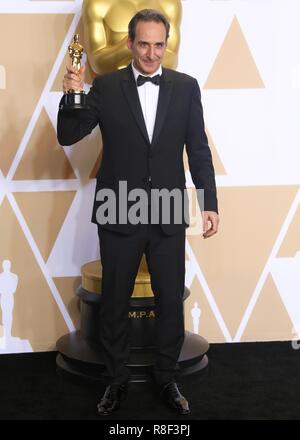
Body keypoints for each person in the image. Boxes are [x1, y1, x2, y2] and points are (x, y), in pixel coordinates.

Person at [57, 8, 219, 416]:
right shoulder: (106, 87)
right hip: (120, 208)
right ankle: (116, 382)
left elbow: (197, 150)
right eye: (144, 44)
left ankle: (167, 379)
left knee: (169, 302)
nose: (151, 53)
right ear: (130, 44)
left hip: (167, 210)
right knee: (114, 302)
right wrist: (73, 93)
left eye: (158, 45)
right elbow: (68, 134)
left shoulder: (186, 88)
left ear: (167, 45)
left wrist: (210, 203)